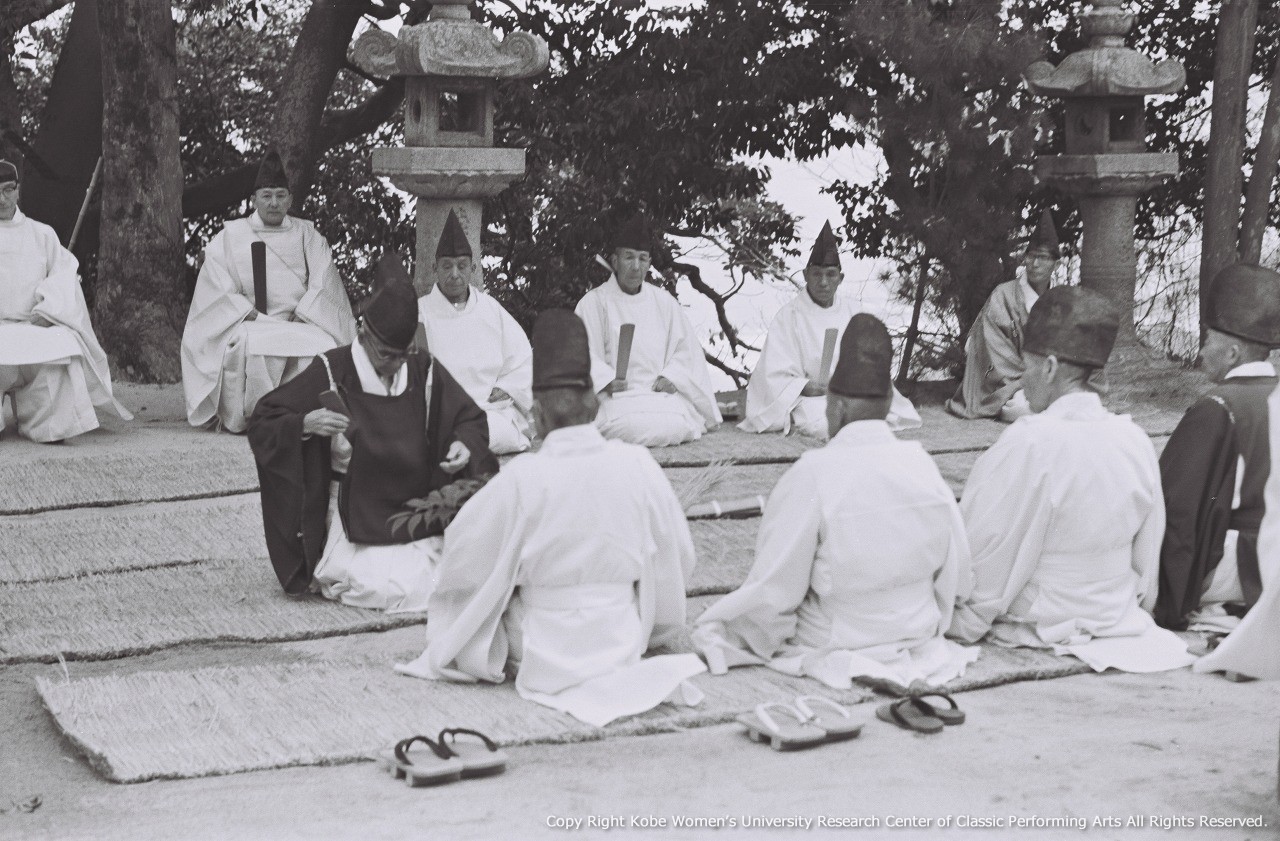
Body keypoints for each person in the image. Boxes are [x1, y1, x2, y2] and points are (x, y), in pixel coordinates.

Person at [396, 309, 706, 727]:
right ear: (595, 405)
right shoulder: (639, 465)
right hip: (621, 637)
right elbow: (678, 559)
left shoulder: (521, 478)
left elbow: (463, 561)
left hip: (541, 649)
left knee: (493, 596)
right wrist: (652, 622)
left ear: (537, 414)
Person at [694, 314, 975, 689]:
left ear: (837, 407)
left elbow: (775, 591)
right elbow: (957, 575)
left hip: (840, 637)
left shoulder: (814, 473)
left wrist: (730, 630)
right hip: (917, 631)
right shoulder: (924, 466)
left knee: (717, 630)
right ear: (888, 403)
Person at [949, 286, 1194, 673]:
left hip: (1044, 616)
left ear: (1049, 367)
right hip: (1115, 610)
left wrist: (961, 620)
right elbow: (1146, 556)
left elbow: (986, 552)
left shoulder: (1029, 442)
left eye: (1026, 366)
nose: (1022, 380)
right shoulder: (1134, 438)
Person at [247, 254, 496, 611]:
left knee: (461, 575)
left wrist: (464, 443)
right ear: (363, 335)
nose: (396, 364)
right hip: (355, 505)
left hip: (414, 501)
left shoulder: (421, 366)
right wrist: (305, 424)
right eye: (386, 355)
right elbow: (265, 419)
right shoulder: (333, 368)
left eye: (403, 355)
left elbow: (469, 418)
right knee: (387, 588)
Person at [182, 150, 356, 433]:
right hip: (250, 320)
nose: (273, 203)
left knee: (322, 344)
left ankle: (306, 414)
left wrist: (304, 313)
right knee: (250, 345)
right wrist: (246, 312)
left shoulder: (307, 235)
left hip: (300, 320)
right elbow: (217, 285)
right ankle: (257, 417)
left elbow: (323, 282)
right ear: (254, 200)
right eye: (266, 196)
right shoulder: (232, 236)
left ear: (289, 199)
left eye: (280, 195)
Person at [1155, 264, 1280, 634]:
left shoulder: (1217, 406)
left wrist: (1168, 602)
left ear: (1233, 353)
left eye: (1208, 339)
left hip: (1242, 569)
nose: (1201, 350)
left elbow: (1175, 508)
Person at [739, 221, 921, 437]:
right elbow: (773, 374)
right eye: (817, 274)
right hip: (810, 397)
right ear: (805, 275)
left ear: (840, 278)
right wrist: (804, 386)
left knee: (885, 417)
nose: (823, 282)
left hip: (851, 393)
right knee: (825, 426)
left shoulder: (854, 311)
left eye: (831, 274)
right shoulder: (789, 316)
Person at [0, 159, 131, 442]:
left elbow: (63, 276)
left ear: (18, 190)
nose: (2, 199)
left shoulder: (42, 234)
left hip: (33, 325)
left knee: (62, 344)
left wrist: (49, 311)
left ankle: (48, 423)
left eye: (8, 189)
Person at [574, 212, 721, 446]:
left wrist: (671, 377)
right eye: (629, 257)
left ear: (649, 264)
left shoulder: (664, 302)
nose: (635, 266)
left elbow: (687, 352)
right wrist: (605, 380)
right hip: (615, 399)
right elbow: (580, 354)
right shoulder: (593, 303)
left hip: (658, 396)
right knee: (628, 426)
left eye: (642, 259)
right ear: (614, 261)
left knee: (675, 424)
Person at [418, 210, 533, 455]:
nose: (455, 274)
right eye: (447, 266)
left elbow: (523, 359)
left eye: (461, 266)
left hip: (488, 412)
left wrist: (508, 387)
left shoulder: (491, 310)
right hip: (437, 414)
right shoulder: (419, 313)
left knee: (492, 432)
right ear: (435, 268)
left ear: (472, 267)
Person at [947, 210, 1063, 421]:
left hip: (1045, 380)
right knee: (1023, 408)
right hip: (1006, 383)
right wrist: (1027, 379)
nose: (1035, 264)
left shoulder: (1059, 300)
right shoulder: (1003, 295)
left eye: (1043, 257)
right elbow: (991, 347)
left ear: (1056, 264)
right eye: (1031, 256)